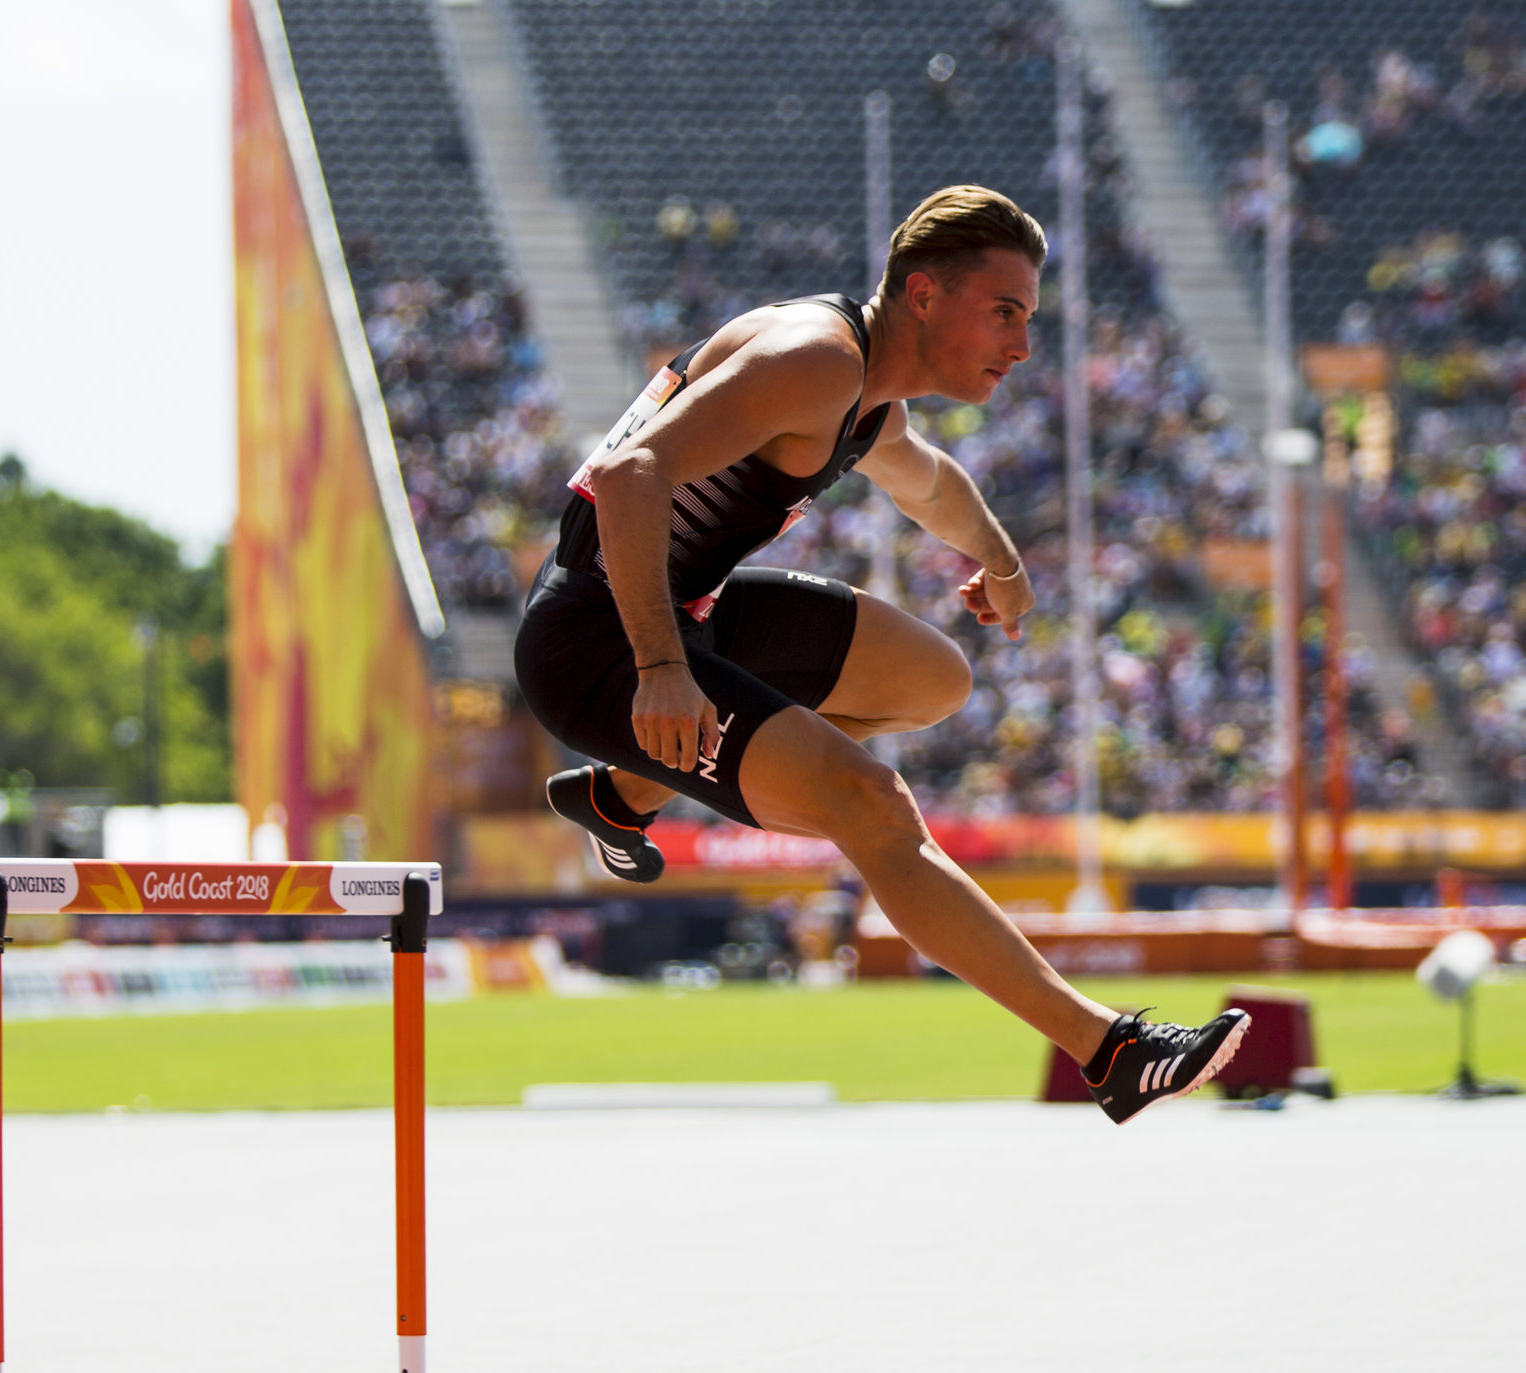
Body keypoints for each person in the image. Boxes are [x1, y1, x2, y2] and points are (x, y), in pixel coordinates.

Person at [515, 185, 1247, 1122]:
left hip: (683, 611)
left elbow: (930, 484)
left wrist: (1004, 562)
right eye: (1004, 313)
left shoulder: (863, 393)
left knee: (931, 678)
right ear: (924, 295)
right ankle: (1109, 1048)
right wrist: (661, 669)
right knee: (873, 804)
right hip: (597, 641)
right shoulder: (813, 361)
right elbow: (625, 476)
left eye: (1028, 318)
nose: (1021, 347)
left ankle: (623, 793)